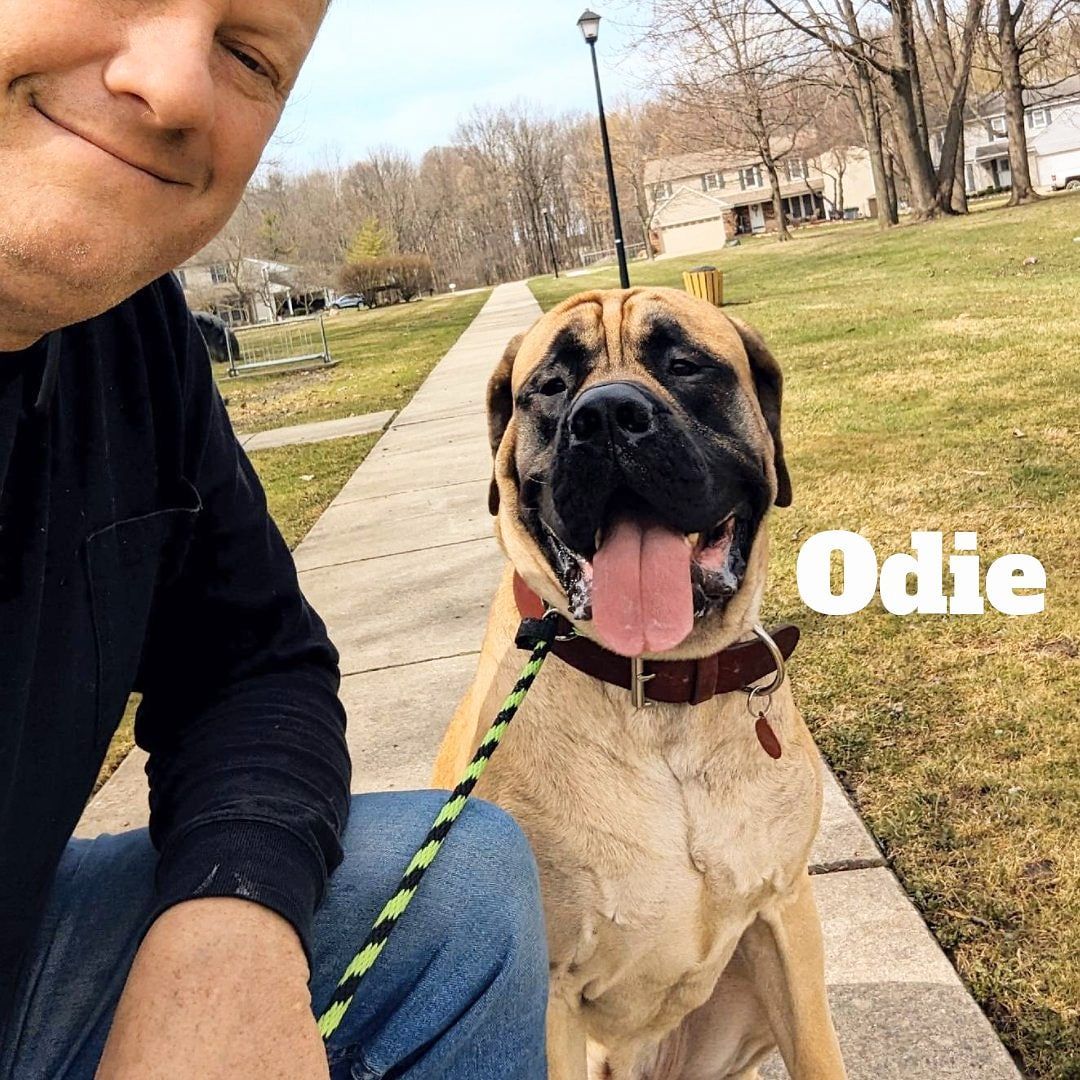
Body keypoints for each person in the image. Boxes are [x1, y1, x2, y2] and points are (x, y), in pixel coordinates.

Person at [0, 3, 548, 1077]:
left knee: (463, 883)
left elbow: (255, 666)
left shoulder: (130, 331)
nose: (176, 87)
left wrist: (231, 913)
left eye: (249, 55)